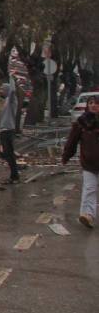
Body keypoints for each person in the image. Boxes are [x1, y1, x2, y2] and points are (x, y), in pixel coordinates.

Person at [61, 95, 99, 228]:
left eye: (97, 103)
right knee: (90, 189)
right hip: (89, 163)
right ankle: (87, 216)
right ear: (88, 105)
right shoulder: (81, 123)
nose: (94, 105)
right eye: (91, 103)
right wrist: (66, 156)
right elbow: (72, 141)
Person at [0, 80, 21, 183]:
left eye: (2, 89)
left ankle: (15, 176)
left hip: (8, 131)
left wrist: (12, 79)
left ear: (7, 90)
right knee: (6, 154)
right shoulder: (5, 101)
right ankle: (14, 175)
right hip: (3, 131)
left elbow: (12, 91)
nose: (0, 91)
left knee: (9, 154)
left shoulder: (11, 100)